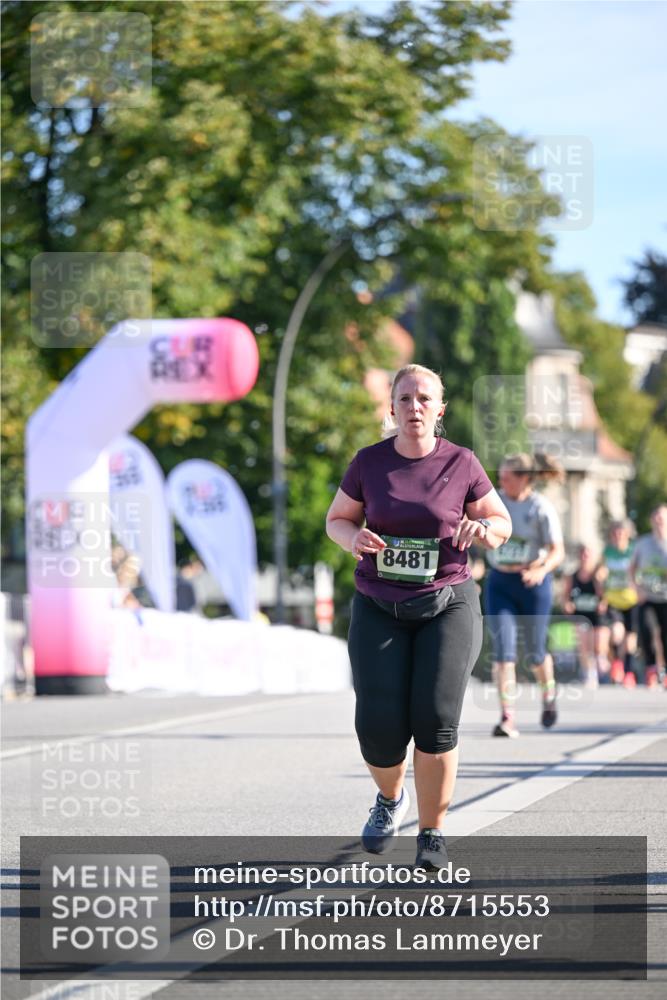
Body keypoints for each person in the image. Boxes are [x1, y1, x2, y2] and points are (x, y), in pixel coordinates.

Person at [325, 364, 511, 870]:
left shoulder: (463, 462)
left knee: (435, 719)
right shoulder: (369, 463)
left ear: (440, 410)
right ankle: (389, 800)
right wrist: (352, 538)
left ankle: (432, 833)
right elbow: (336, 520)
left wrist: (483, 529)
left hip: (446, 602)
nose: (414, 408)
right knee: (378, 726)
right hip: (378, 605)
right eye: (405, 399)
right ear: (391, 407)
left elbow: (502, 522)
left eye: (425, 399)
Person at [484, 452, 565, 738]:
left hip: (533, 583)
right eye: (500, 477)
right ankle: (507, 717)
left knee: (534, 652)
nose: (501, 482)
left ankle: (549, 694)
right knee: (503, 652)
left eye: (507, 478)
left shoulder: (540, 508)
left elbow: (558, 551)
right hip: (500, 582)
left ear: (524, 479)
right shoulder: (494, 500)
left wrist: (541, 569)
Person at [631, 503, 667, 687]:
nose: (660, 521)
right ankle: (652, 669)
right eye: (657, 517)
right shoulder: (643, 543)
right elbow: (632, 569)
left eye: (663, 517)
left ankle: (665, 672)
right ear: (652, 520)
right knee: (646, 631)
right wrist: (636, 589)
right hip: (648, 597)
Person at [599, 519, 639, 685]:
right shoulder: (607, 551)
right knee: (616, 634)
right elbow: (600, 571)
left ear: (628, 534)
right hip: (613, 600)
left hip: (632, 600)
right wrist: (601, 581)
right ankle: (616, 663)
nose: (618, 536)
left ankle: (628, 672)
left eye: (621, 532)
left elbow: (640, 568)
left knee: (630, 641)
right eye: (615, 533)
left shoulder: (633, 550)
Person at [562, 543, 607, 688]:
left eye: (588, 554)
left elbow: (605, 596)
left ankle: (604, 662)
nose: (585, 557)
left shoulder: (598, 574)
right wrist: (567, 604)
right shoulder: (573, 576)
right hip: (581, 615)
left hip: (597, 616)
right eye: (583, 554)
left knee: (598, 644)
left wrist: (602, 598)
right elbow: (565, 596)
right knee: (584, 643)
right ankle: (589, 673)